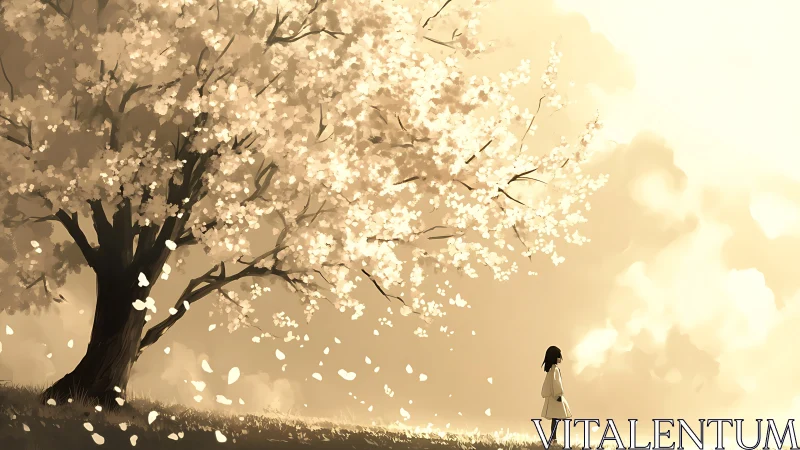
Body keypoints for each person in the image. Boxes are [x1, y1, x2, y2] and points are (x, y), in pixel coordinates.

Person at [540, 345, 571, 446]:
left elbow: (549, 383)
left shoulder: (551, 369)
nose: (561, 358)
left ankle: (553, 438)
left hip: (553, 397)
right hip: (556, 398)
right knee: (558, 418)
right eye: (559, 356)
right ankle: (554, 439)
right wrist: (558, 394)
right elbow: (556, 383)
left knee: (555, 419)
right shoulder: (555, 369)